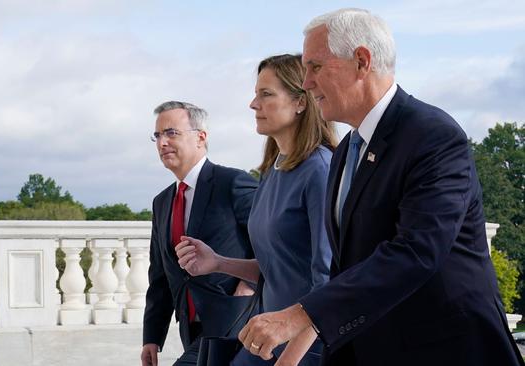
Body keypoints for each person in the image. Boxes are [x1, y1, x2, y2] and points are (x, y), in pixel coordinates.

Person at [236, 8, 525, 366]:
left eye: (316, 67)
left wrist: (300, 315)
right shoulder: (345, 153)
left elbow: (416, 252)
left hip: (444, 350)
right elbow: (346, 269)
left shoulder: (433, 136)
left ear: (361, 61)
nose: (307, 83)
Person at [176, 54, 337, 366]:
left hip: (307, 348)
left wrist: (288, 360)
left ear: (300, 101)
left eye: (266, 94)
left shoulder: (320, 170)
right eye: (255, 94)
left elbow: (328, 282)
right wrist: (219, 262)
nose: (253, 104)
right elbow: (278, 268)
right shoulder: (272, 171)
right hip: (265, 341)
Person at [141, 101, 258, 366]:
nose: (162, 143)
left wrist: (248, 287)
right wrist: (152, 337)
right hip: (191, 327)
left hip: (236, 320)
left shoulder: (232, 183)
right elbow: (160, 274)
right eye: (157, 136)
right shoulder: (162, 202)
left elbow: (270, 241)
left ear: (200, 137)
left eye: (171, 133)